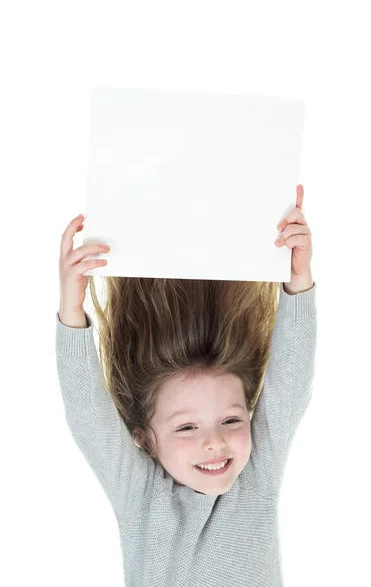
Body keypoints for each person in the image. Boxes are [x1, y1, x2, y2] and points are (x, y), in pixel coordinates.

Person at [56, 184, 316, 586]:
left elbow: (290, 384)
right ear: (144, 437)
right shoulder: (142, 501)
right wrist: (71, 309)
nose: (215, 442)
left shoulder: (257, 479)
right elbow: (88, 417)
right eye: (186, 427)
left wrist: (299, 278)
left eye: (231, 420)